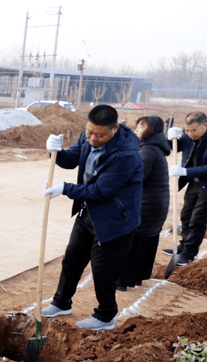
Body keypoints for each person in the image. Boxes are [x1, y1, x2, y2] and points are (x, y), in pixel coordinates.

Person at [41, 104, 143, 331]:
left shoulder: (127, 155)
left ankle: (105, 316)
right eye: (89, 132)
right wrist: (55, 151)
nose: (93, 138)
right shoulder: (88, 136)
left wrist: (65, 188)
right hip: (88, 213)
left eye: (99, 135)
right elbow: (72, 158)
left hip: (115, 220)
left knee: (103, 270)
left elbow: (100, 191)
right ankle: (61, 302)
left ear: (115, 128)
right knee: (72, 260)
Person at [116, 116, 170, 289]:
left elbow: (137, 176)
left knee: (134, 241)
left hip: (147, 204)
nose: (137, 130)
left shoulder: (148, 150)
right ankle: (137, 276)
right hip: (156, 204)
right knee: (145, 241)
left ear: (151, 129)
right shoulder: (154, 147)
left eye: (141, 126)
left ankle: (123, 281)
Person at [165, 111, 207, 266]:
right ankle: (183, 247)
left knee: (198, 220)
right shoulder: (188, 137)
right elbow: (169, 148)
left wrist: (186, 171)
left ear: (205, 126)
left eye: (194, 130)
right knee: (186, 216)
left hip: (205, 185)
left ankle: (188, 254)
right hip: (193, 184)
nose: (190, 134)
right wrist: (169, 138)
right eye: (187, 130)